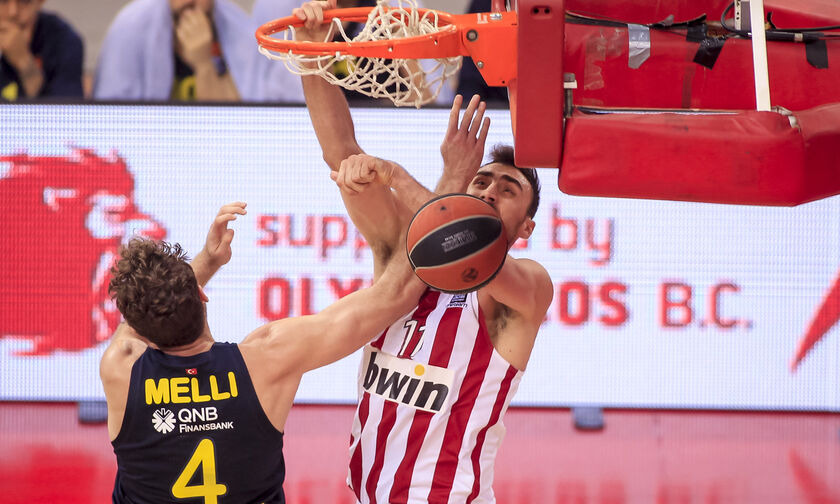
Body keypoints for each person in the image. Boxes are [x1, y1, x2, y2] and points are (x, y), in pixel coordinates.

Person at [296, 2, 554, 502]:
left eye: (508, 188)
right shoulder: (404, 254)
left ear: (525, 227)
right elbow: (342, 151)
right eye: (483, 179)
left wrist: (433, 176)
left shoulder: (526, 287)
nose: (489, 189)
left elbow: (466, 245)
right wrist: (317, 45)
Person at [101, 199, 426, 503]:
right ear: (202, 295)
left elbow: (139, 317)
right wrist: (448, 191)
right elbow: (394, 295)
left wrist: (207, 262)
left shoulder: (120, 367)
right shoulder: (268, 358)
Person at [93, 0, 258, 101]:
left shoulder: (240, 30)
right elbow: (114, 119)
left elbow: (234, 125)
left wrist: (204, 64)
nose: (188, 2)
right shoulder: (130, 28)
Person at [0, 0, 83, 101]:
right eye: (3, 1)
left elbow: (66, 111)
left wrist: (24, 62)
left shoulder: (63, 40)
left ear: (40, 2)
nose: (13, 12)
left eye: (24, 2)